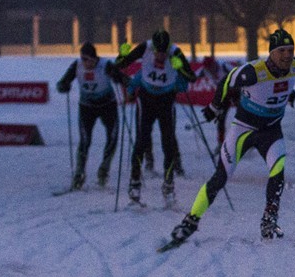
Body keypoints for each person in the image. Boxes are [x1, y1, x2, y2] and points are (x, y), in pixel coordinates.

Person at [167, 28, 295, 247]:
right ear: (271, 53)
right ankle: (190, 221)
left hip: (271, 130)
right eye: (282, 51)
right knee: (220, 177)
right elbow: (227, 81)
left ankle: (269, 219)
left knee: (278, 170)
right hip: (243, 129)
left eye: (290, 50)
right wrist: (214, 107)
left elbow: (285, 86)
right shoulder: (253, 72)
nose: (287, 55)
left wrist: (289, 94)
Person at [114, 29, 196, 204]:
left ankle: (168, 184)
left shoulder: (175, 52)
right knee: (141, 141)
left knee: (168, 143)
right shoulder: (145, 47)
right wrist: (122, 53)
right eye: (158, 52)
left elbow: (192, 77)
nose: (160, 56)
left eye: (163, 52)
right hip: (146, 99)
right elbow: (120, 65)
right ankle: (135, 183)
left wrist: (180, 67)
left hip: (166, 100)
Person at [56, 42, 130, 189]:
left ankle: (104, 170)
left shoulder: (105, 65)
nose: (86, 63)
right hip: (87, 107)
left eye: (88, 60)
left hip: (107, 106)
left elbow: (125, 79)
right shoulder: (77, 65)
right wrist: (64, 86)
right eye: (83, 59)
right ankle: (79, 175)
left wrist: (120, 80)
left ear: (95, 59)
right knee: (84, 141)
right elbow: (62, 82)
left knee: (113, 137)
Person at [199, 56, 237, 146]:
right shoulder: (204, 70)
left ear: (214, 64)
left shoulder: (223, 65)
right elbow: (192, 76)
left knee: (242, 117)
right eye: (208, 68)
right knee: (220, 119)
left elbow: (238, 73)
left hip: (236, 92)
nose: (210, 70)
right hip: (223, 96)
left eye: (211, 67)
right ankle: (220, 143)